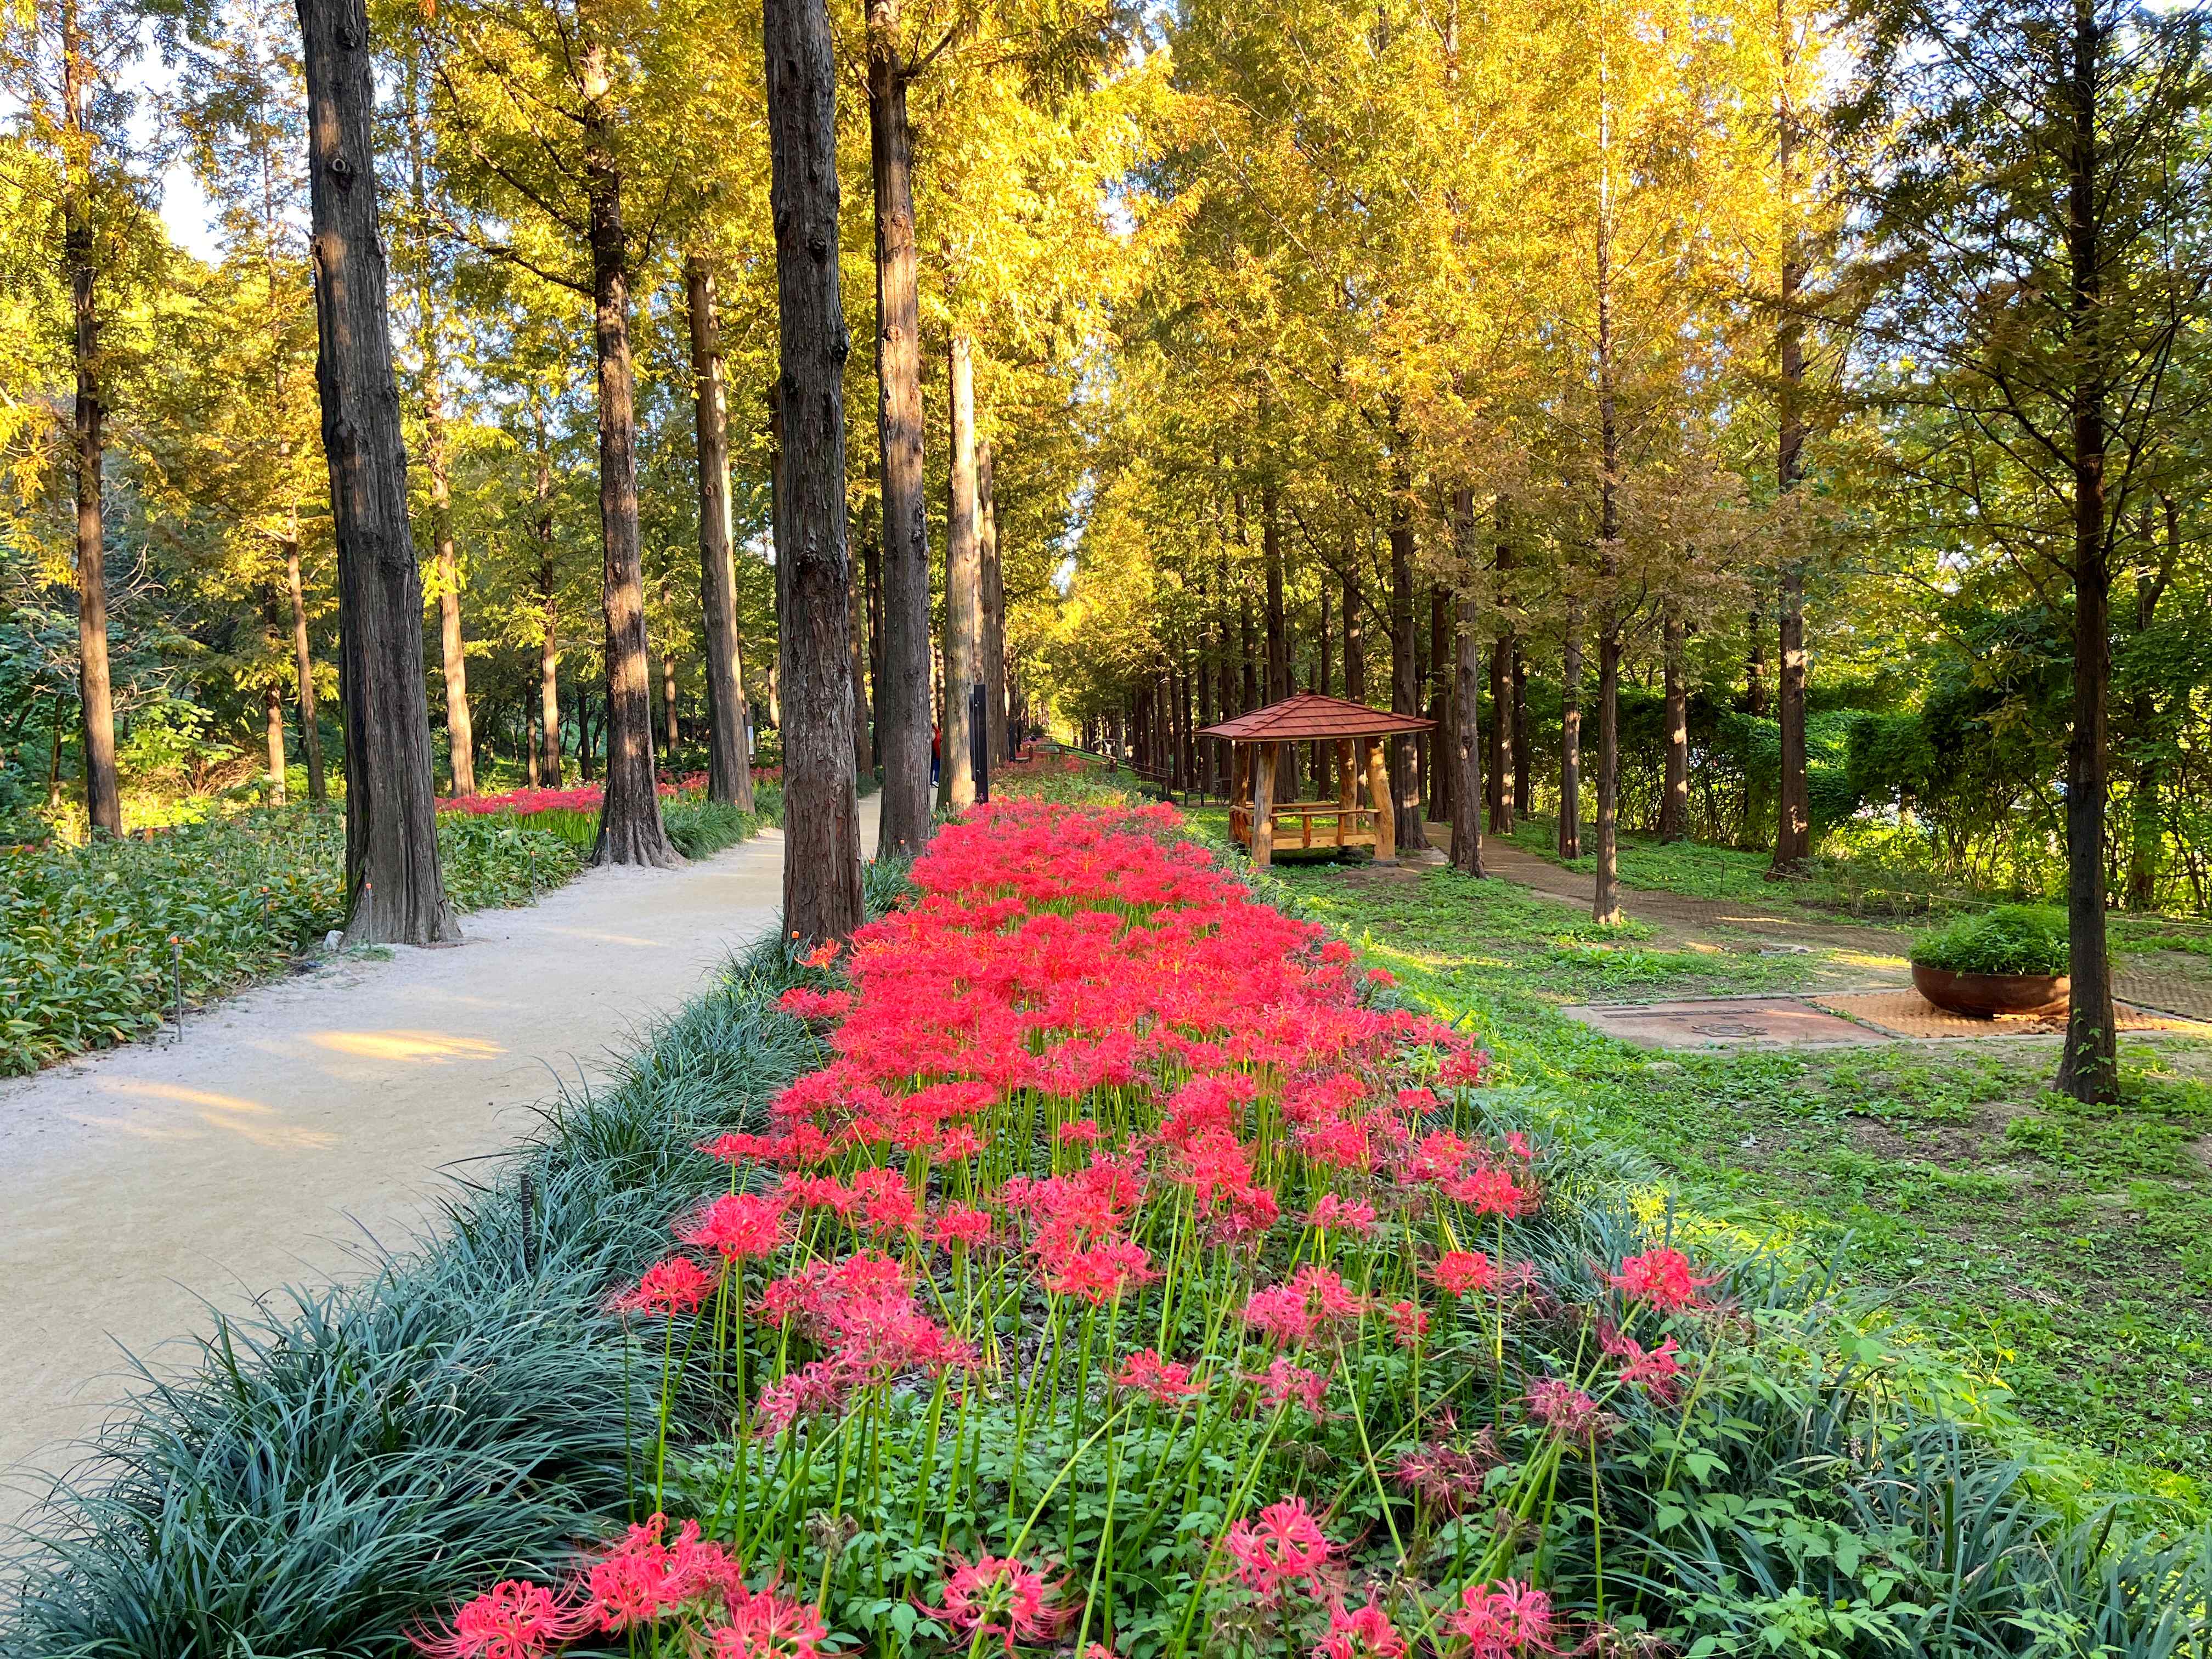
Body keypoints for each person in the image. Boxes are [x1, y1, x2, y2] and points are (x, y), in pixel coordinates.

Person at [931, 721, 941, 787]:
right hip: (937, 755)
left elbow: (938, 731)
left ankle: (933, 781)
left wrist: (934, 727)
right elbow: (938, 750)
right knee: (937, 769)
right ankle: (936, 781)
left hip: (936, 755)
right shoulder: (937, 739)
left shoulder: (937, 736)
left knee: (934, 768)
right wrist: (939, 756)